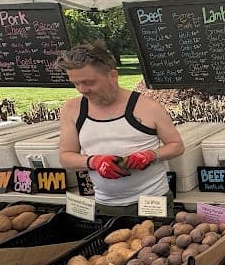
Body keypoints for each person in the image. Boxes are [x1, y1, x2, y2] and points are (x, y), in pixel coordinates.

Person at [57, 42, 184, 216]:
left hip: (152, 201)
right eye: (75, 83)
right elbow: (66, 157)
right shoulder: (72, 109)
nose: (82, 90)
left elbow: (176, 145)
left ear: (112, 75)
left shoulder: (148, 107)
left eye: (89, 82)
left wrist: (151, 155)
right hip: (106, 203)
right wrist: (94, 162)